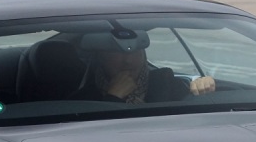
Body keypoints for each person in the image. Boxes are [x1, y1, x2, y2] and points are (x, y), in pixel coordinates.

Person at [78, 31, 216, 104]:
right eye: (117, 53)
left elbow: (195, 116)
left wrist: (205, 89)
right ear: (101, 57)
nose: (128, 60)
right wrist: (113, 98)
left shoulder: (167, 83)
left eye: (136, 52)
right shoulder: (83, 99)